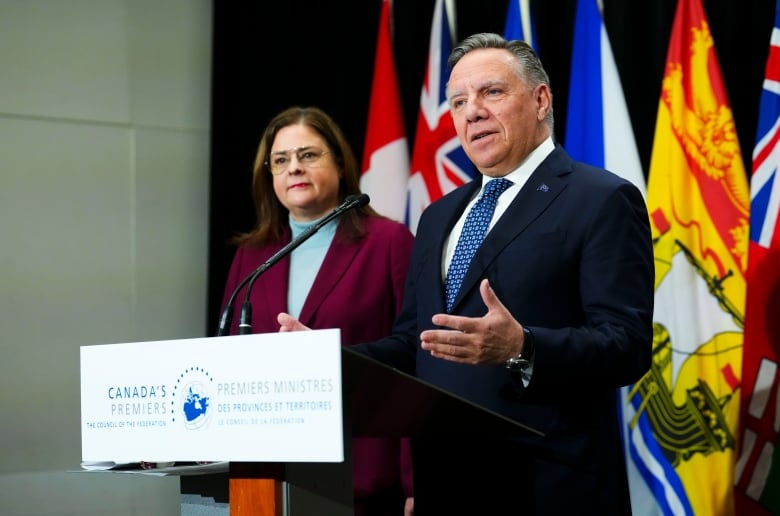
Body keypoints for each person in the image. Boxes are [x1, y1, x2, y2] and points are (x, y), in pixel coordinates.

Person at [279, 33, 654, 515]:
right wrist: (328, 358)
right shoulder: (439, 215)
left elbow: (626, 344)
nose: (471, 111)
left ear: (541, 100)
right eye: (458, 101)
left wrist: (523, 347)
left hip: (546, 487)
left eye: (491, 92)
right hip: (447, 485)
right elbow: (417, 343)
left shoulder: (599, 198)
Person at [221, 106, 415, 515]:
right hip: (268, 475)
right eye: (280, 160)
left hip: (363, 475)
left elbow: (414, 360)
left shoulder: (389, 242)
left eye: (308, 155)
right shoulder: (251, 257)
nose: (294, 168)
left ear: (340, 164)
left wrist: (415, 481)